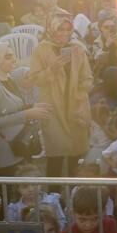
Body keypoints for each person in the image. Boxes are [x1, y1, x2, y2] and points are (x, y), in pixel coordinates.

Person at [0, 42, 52, 176]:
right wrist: (27, 114)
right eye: (7, 57)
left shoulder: (5, 79)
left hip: (16, 146)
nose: (14, 60)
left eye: (13, 56)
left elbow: (9, 108)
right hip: (1, 153)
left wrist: (31, 107)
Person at [27, 15, 92, 177]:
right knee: (55, 154)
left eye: (67, 29)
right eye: (60, 29)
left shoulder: (77, 48)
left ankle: (75, 193)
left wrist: (80, 93)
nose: (64, 33)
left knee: (76, 155)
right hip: (53, 105)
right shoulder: (41, 49)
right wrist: (53, 68)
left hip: (76, 105)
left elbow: (88, 77)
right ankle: (53, 195)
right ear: (51, 29)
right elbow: (35, 79)